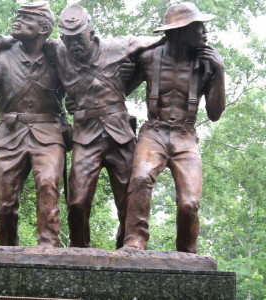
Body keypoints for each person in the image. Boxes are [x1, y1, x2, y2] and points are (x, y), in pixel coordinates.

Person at [45, 5, 162, 249]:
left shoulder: (118, 46)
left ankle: (125, 251)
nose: (74, 45)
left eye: (79, 38)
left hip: (119, 136)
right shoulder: (58, 50)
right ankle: (79, 251)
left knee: (127, 203)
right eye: (68, 40)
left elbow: (160, 40)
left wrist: (136, 72)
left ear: (92, 32)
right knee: (76, 201)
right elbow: (29, 39)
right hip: (85, 137)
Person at [0, 2, 66, 247]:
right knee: (5, 204)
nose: (17, 21)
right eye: (18, 17)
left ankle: (48, 249)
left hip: (48, 134)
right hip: (9, 135)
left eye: (27, 18)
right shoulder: (3, 56)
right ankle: (7, 251)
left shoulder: (56, 56)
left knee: (48, 186)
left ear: (44, 28)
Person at [123, 2, 226, 253]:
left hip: (185, 135)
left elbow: (214, 114)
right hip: (153, 132)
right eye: (197, 27)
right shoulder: (147, 58)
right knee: (140, 177)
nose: (204, 32)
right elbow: (119, 91)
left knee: (189, 202)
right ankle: (134, 241)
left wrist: (220, 71)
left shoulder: (207, 63)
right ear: (178, 32)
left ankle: (187, 252)